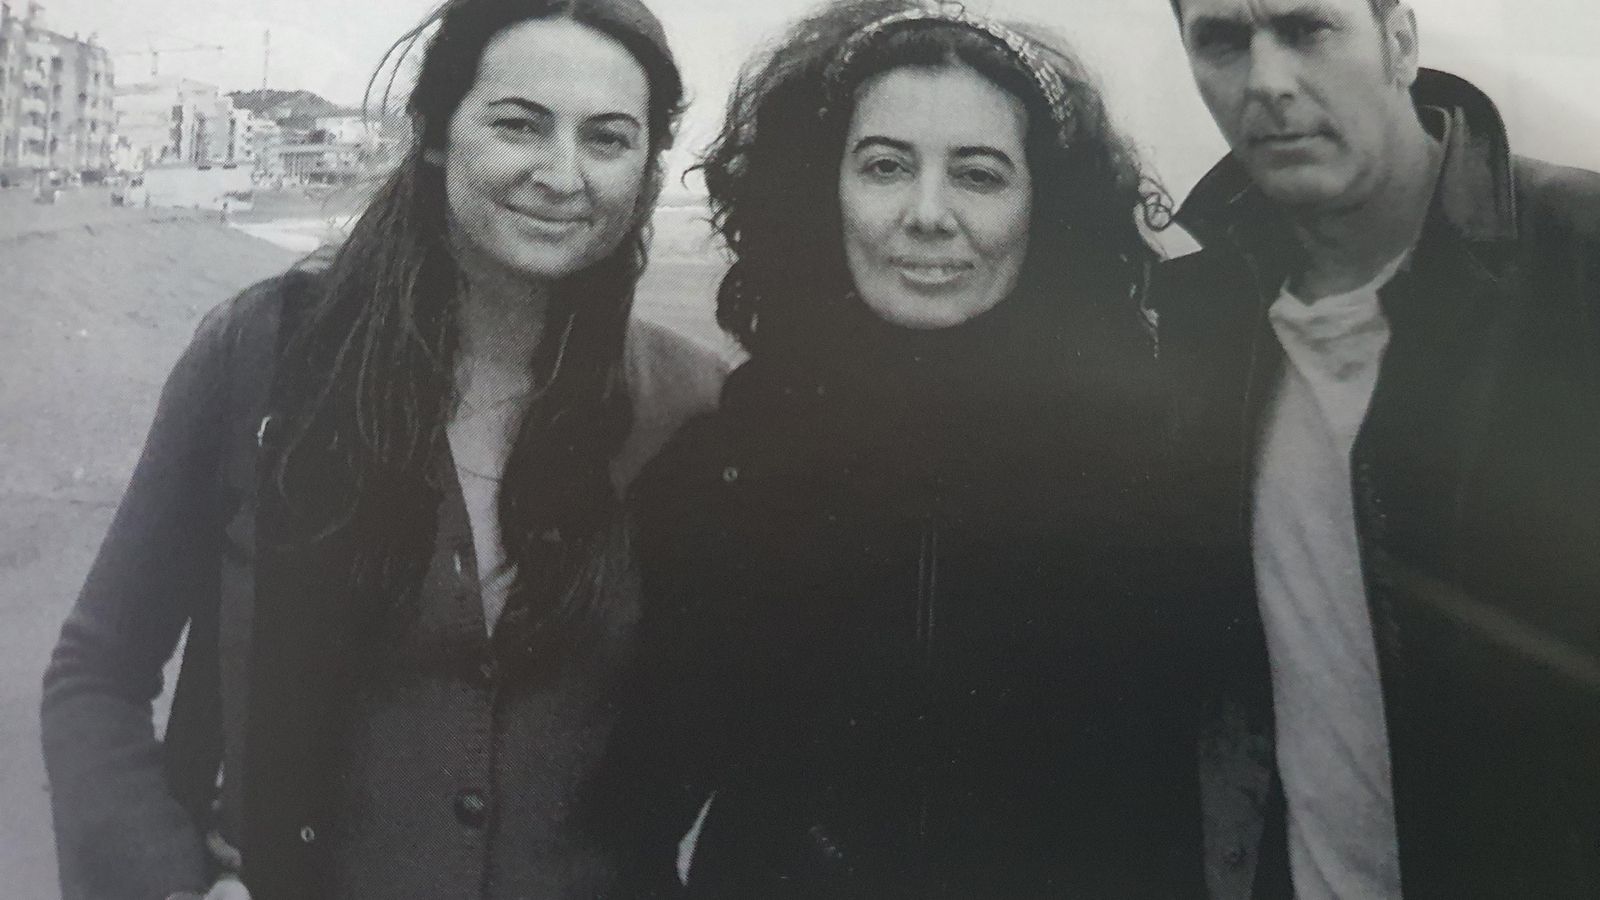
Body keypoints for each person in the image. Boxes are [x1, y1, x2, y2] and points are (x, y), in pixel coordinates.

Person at [40, 1, 724, 898]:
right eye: (519, 125)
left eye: (607, 139)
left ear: (645, 168)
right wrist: (167, 885)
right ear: (435, 134)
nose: (563, 175)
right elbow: (97, 670)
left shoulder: (693, 408)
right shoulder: (267, 355)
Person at [591, 1, 1211, 895]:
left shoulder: (1153, 468)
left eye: (980, 174)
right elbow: (634, 821)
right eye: (884, 166)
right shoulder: (721, 471)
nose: (927, 214)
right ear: (822, 189)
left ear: (1046, 205)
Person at [1156, 0, 1600, 896]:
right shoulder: (1199, 323)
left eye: (1308, 28)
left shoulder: (1579, 262)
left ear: (1399, 41)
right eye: (1223, 39)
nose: (1268, 81)